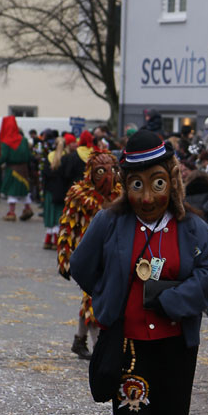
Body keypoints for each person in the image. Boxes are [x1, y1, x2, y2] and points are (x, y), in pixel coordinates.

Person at [69, 130, 208, 415]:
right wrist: (108, 297)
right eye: (137, 186)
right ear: (126, 186)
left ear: (171, 181)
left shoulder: (193, 228)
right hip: (130, 341)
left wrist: (174, 300)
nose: (148, 197)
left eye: (156, 184)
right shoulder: (110, 221)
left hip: (174, 342)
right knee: (132, 412)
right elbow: (81, 266)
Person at [58, 149, 122, 359]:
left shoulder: (120, 195)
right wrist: (64, 257)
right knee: (92, 299)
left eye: (111, 170)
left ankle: (79, 339)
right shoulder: (79, 195)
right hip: (87, 257)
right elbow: (67, 227)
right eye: (101, 170)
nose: (107, 176)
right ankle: (98, 349)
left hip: (112, 255)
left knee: (93, 297)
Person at [0, 117, 34, 221]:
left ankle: (11, 212)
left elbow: (4, 156)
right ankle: (27, 208)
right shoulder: (24, 140)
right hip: (24, 169)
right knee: (23, 189)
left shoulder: (6, 141)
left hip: (12, 168)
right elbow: (28, 155)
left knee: (11, 190)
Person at [42, 137, 72, 250]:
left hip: (50, 191)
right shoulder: (67, 158)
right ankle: (56, 241)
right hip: (62, 191)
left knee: (50, 214)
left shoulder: (49, 157)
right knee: (58, 215)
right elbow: (68, 175)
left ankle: (47, 240)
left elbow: (44, 175)